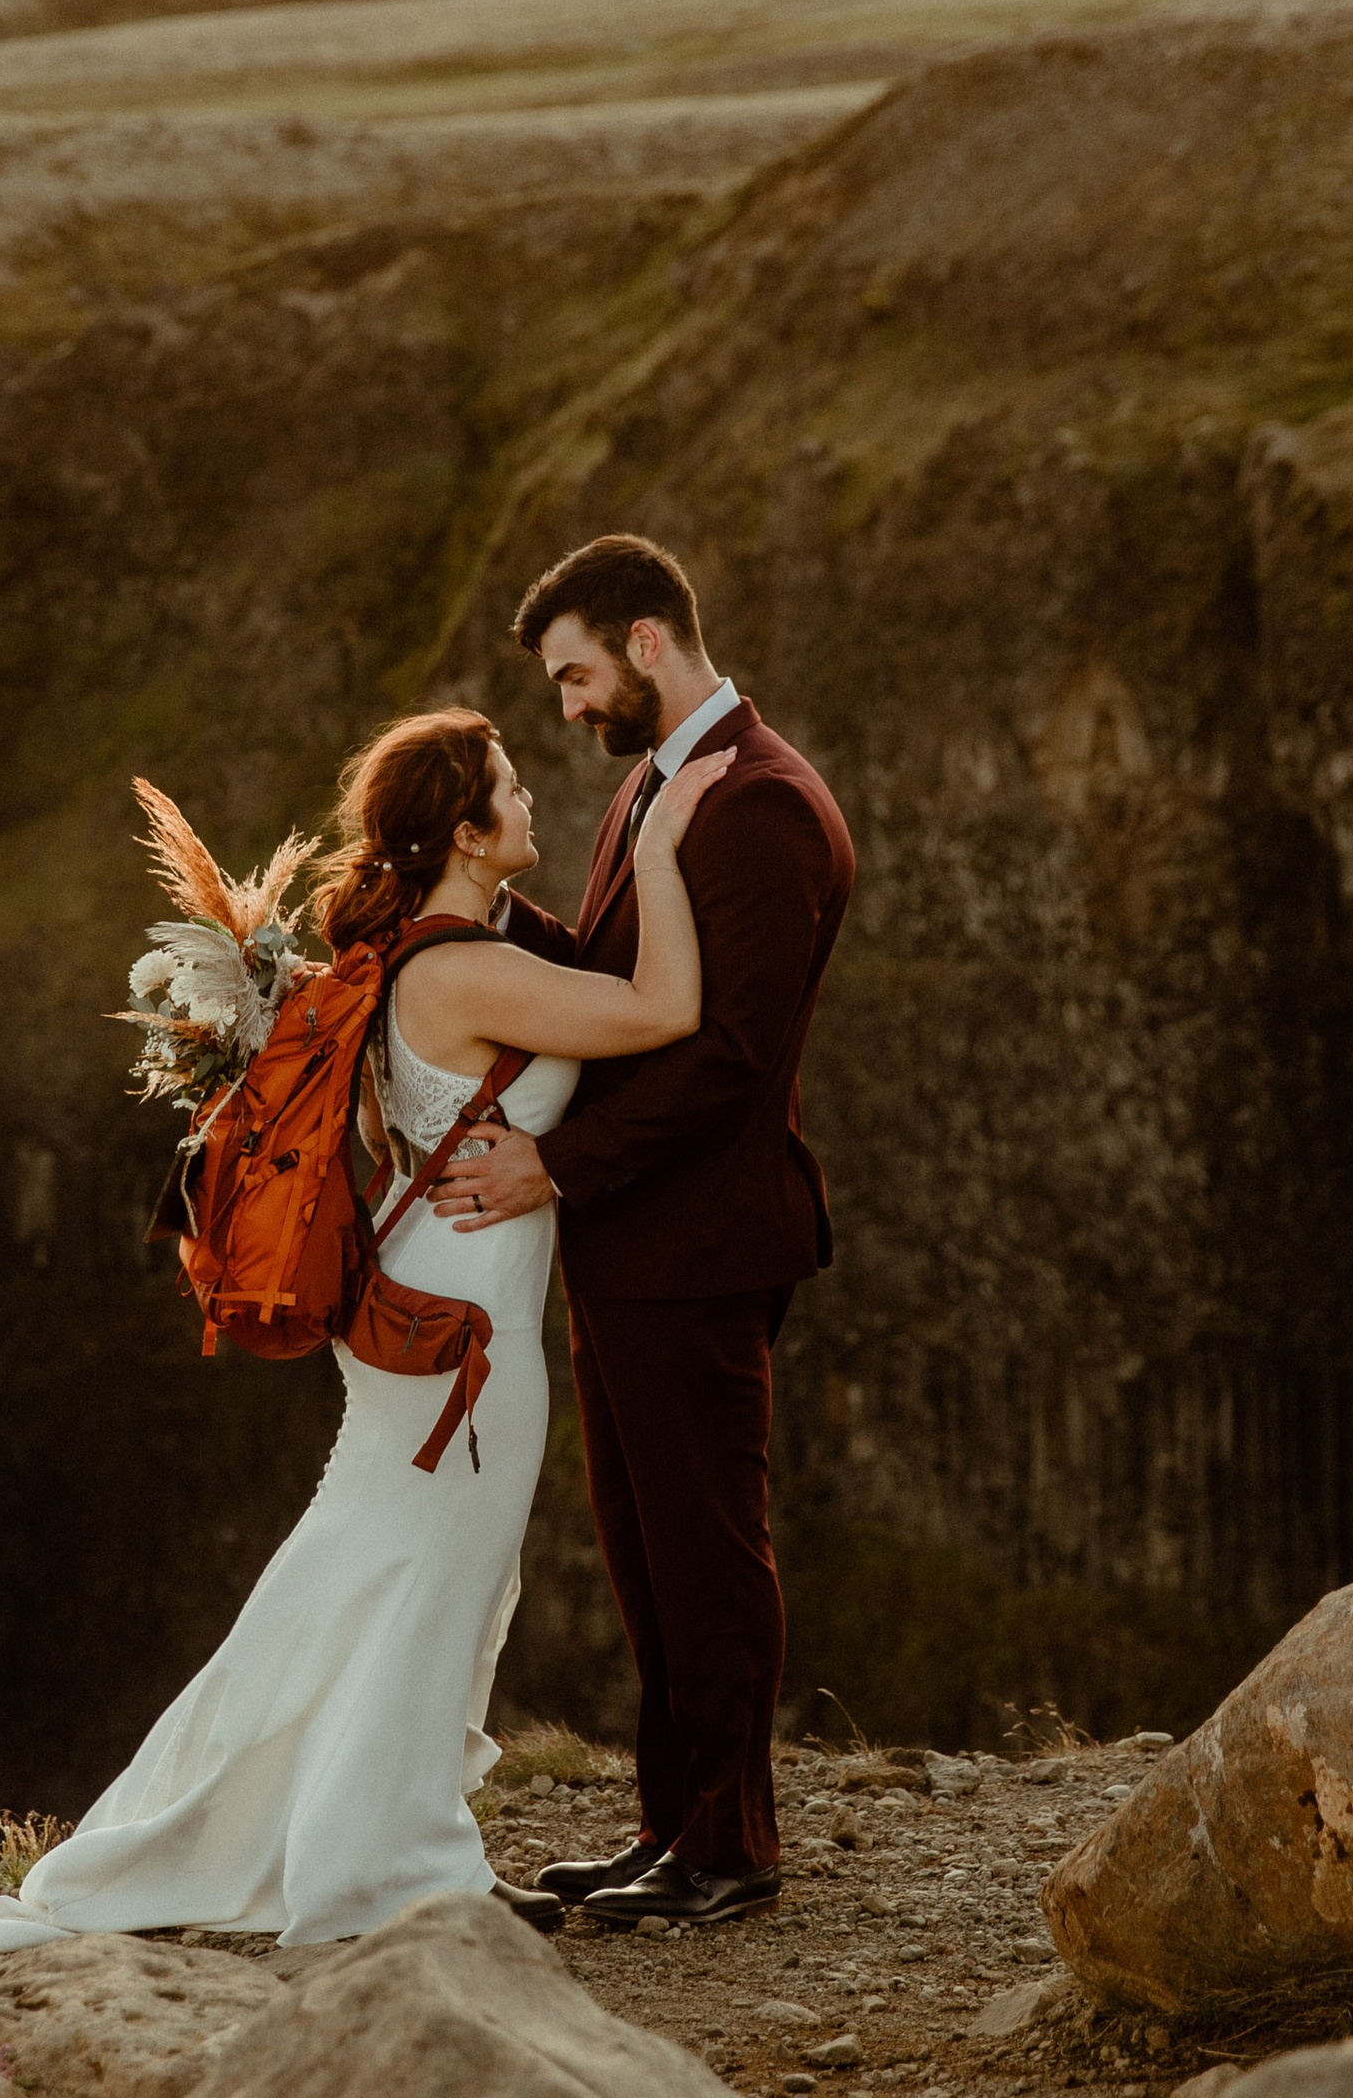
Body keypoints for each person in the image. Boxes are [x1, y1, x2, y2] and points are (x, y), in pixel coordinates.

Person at [0, 706, 731, 1952]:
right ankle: (381, 1865)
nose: (531, 802)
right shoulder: (463, 968)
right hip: (461, 1326)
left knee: (377, 1570)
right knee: (424, 1578)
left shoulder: (407, 955)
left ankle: (371, 1836)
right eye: (509, 787)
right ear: (467, 831)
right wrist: (657, 853)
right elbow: (664, 1010)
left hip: (422, 1288)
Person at [431, 533, 854, 1930]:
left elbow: (729, 1057)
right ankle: (672, 1828)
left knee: (710, 1546)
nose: (567, 705)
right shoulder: (661, 791)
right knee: (644, 1546)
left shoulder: (766, 810)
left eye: (575, 673)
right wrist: (444, 925)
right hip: (634, 1249)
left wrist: (554, 1165)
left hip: (703, 1246)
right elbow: (616, 983)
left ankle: (732, 1846)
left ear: (650, 643)